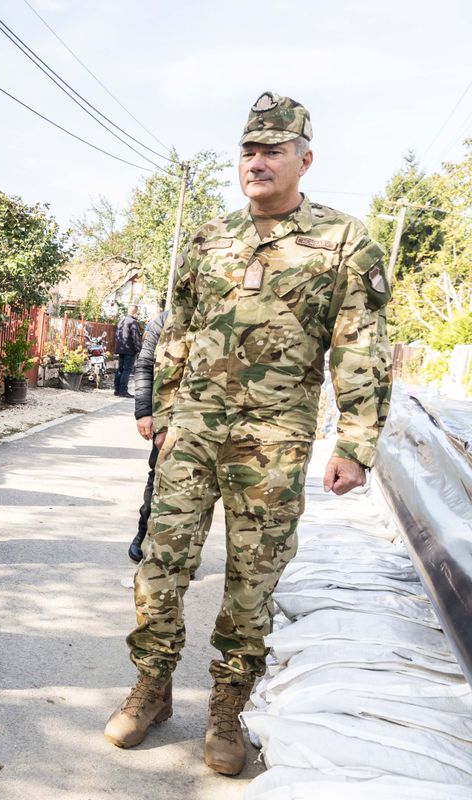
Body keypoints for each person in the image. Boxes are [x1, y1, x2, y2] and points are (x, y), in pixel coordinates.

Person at [104, 92, 392, 775]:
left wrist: (356, 442)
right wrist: (163, 412)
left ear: (305, 158)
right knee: (159, 566)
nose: (257, 161)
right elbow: (176, 334)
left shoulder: (346, 241)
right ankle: (152, 686)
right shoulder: (210, 239)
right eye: (249, 149)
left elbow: (363, 346)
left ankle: (229, 706)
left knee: (251, 581)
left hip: (275, 440)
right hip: (192, 434)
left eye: (273, 149)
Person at [129, 308, 167, 563]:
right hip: (169, 418)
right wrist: (144, 412)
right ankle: (143, 532)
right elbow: (144, 365)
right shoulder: (165, 320)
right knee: (159, 477)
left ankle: (184, 554)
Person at [114, 304, 141, 397]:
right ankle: (123, 391)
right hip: (130, 349)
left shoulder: (121, 320)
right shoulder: (133, 322)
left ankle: (117, 390)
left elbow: (117, 334)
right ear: (136, 312)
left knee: (120, 369)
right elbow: (135, 337)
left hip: (121, 348)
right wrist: (139, 349)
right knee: (127, 370)